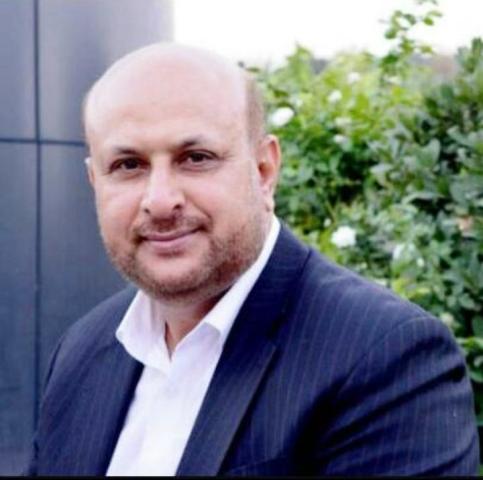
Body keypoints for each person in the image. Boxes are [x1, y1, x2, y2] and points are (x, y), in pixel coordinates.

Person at [26, 43, 478, 476]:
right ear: (95, 181)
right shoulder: (81, 352)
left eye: (196, 158)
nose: (160, 201)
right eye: (128, 165)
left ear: (264, 171)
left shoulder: (386, 358)